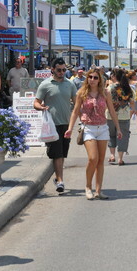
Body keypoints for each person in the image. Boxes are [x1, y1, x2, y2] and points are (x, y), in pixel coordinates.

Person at [65, 69, 121, 200]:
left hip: (102, 128)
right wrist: (70, 128)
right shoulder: (81, 93)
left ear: (99, 79)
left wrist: (118, 128)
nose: (92, 79)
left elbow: (112, 112)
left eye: (95, 77)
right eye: (90, 77)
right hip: (88, 128)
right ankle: (88, 186)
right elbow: (75, 111)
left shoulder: (105, 93)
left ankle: (98, 190)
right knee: (92, 158)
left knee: (100, 161)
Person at [33, 58, 77, 194]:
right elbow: (36, 102)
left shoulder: (70, 84)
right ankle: (60, 180)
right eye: (59, 70)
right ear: (52, 70)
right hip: (52, 125)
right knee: (57, 154)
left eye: (64, 70)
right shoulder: (45, 85)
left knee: (62, 154)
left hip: (66, 124)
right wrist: (41, 107)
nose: (62, 72)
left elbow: (76, 104)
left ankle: (58, 179)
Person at [106, 69, 134, 166]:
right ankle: (120, 159)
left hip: (110, 116)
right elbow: (132, 102)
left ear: (114, 76)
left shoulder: (109, 88)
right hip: (124, 116)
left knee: (111, 135)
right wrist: (131, 112)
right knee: (123, 136)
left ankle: (112, 155)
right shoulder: (127, 88)